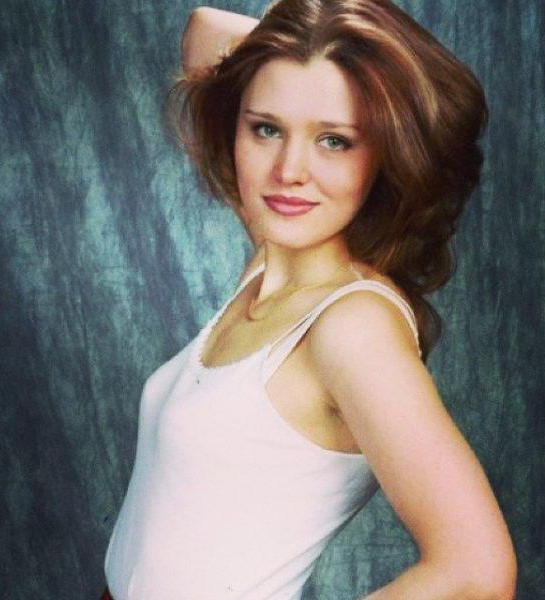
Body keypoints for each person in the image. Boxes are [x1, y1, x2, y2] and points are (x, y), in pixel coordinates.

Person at [102, 1, 517, 598]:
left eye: (334, 141)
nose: (289, 170)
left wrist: (351, 60)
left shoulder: (352, 326)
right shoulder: (272, 262)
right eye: (266, 129)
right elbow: (203, 33)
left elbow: (478, 572)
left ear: (387, 151)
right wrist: (312, 40)